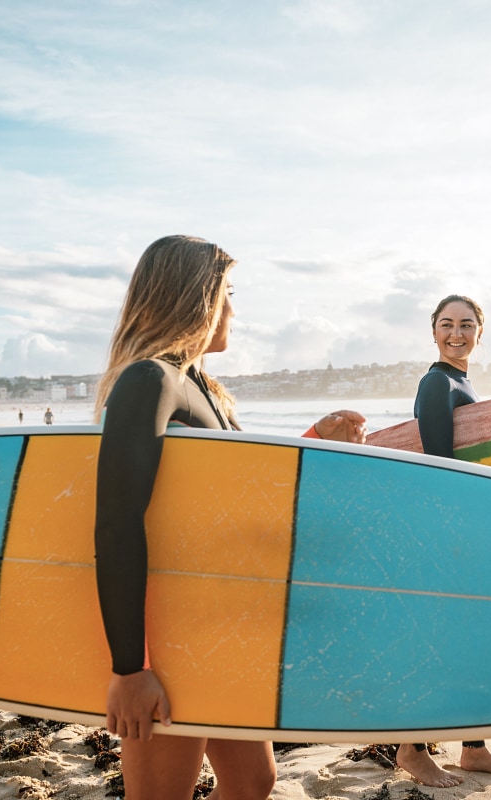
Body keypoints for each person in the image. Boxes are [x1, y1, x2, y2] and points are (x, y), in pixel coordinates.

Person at [94, 235, 366, 800]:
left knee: (252, 781)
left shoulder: (197, 387)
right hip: (169, 637)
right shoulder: (149, 381)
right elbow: (117, 524)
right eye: (227, 294)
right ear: (194, 299)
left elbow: (223, 494)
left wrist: (315, 438)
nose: (234, 311)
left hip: (217, 625)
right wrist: (130, 668)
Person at [393, 294, 491, 788]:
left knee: (473, 640)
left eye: (466, 324)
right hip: (446, 533)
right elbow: (439, 469)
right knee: (442, 640)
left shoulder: (461, 382)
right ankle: (412, 747)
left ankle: (473, 747)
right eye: (447, 324)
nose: (456, 333)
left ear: (480, 332)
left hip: (468, 529)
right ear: (433, 331)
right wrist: (451, 538)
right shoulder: (436, 383)